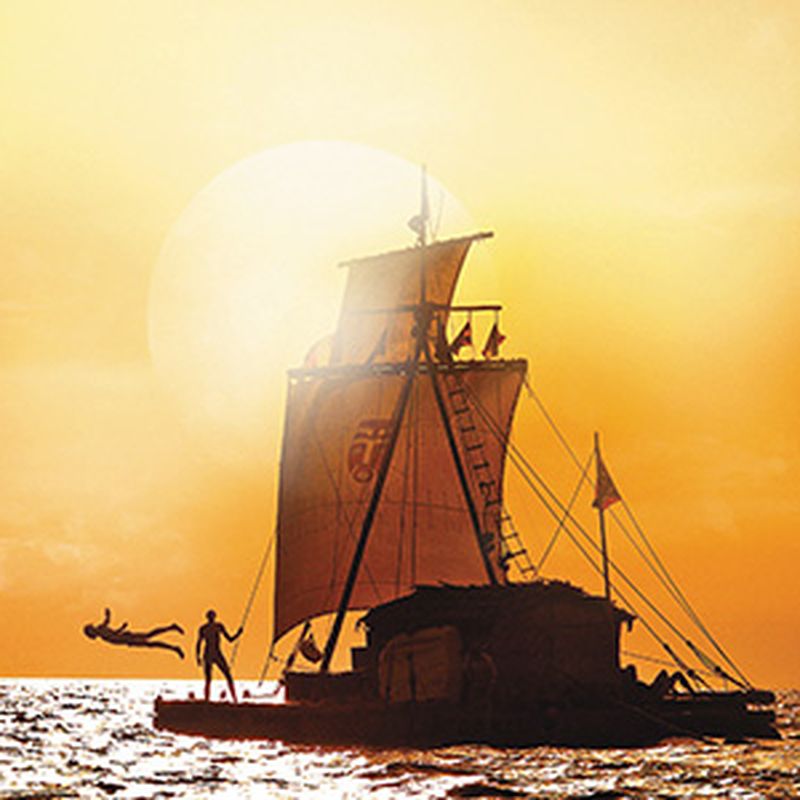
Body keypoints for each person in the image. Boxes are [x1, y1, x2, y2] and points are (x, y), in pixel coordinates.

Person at [83, 608, 184, 659]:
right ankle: (172, 631)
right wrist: (121, 628)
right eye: (90, 630)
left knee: (150, 640)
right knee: (150, 638)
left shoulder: (102, 631)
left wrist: (108, 615)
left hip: (128, 638)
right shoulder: (102, 635)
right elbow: (115, 634)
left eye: (91, 628)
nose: (93, 629)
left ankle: (174, 645)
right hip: (127, 639)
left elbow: (110, 626)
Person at [195, 609, 243, 703]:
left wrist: (238, 633)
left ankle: (235, 699)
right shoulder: (203, 628)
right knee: (208, 679)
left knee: (228, 676)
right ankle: (207, 700)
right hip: (208, 654)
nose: (211, 618)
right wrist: (197, 657)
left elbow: (230, 639)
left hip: (217, 654)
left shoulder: (219, 626)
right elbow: (198, 644)